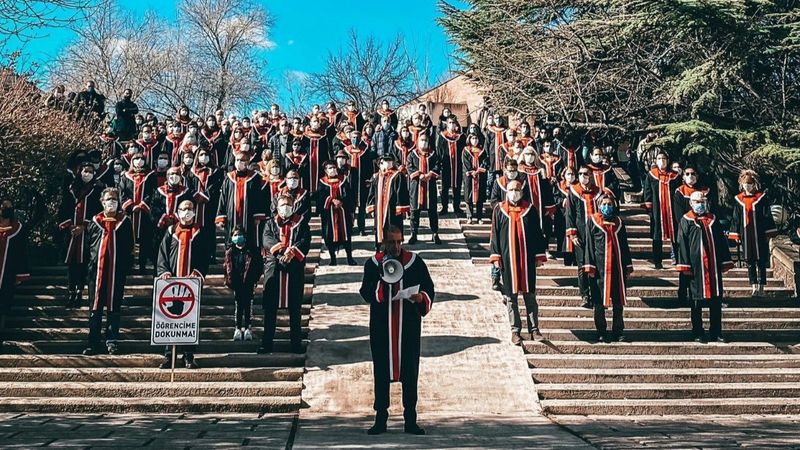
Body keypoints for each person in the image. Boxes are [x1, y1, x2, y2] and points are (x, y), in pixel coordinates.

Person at [359, 225, 434, 436]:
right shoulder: (373, 264)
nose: (396, 246)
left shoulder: (414, 262)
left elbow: (429, 288)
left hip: (408, 327)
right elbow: (365, 291)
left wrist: (421, 298)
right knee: (381, 371)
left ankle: (410, 419)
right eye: (392, 242)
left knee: (410, 371)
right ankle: (380, 418)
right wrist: (381, 286)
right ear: (383, 242)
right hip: (382, 327)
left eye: (399, 241)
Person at [489, 180, 547, 345]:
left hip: (526, 260)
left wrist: (538, 256)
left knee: (530, 296)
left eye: (517, 189)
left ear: (522, 191)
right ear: (506, 191)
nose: (514, 192)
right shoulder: (499, 210)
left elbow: (537, 234)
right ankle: (515, 331)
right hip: (508, 261)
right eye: (511, 189)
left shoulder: (529, 209)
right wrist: (496, 257)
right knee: (511, 298)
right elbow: (495, 235)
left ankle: (534, 330)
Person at [156, 200, 209, 369]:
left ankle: (188, 355)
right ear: (178, 212)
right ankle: (169, 355)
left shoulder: (200, 232)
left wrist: (198, 272)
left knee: (189, 319)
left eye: (190, 209)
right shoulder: (171, 231)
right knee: (169, 319)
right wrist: (163, 270)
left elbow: (205, 255)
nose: (187, 212)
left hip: (190, 283)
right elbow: (162, 254)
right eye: (184, 209)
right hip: (171, 282)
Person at [676, 191, 734, 343]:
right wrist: (685, 265)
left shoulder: (713, 220)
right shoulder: (686, 220)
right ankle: (697, 331)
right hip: (696, 268)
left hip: (713, 266)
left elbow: (721, 242)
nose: (700, 204)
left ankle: (716, 331)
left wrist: (725, 261)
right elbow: (681, 243)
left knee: (716, 300)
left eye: (702, 201)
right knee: (696, 301)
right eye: (697, 201)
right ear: (691, 203)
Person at [82, 188, 133, 355]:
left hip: (116, 272)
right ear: (102, 202)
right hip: (96, 273)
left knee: (114, 307)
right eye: (108, 199)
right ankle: (93, 342)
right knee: (95, 308)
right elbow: (88, 246)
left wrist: (125, 269)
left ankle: (111, 341)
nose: (111, 202)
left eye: (114, 199)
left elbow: (129, 247)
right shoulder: (95, 222)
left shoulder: (124, 222)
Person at [260, 194, 310, 354]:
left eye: (288, 204)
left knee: (295, 308)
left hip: (294, 267)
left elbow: (305, 240)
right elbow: (267, 239)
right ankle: (266, 343)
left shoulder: (302, 223)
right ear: (277, 206)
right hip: (274, 267)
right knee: (270, 308)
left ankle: (296, 343)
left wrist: (292, 251)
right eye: (282, 204)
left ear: (293, 205)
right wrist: (282, 250)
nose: (285, 207)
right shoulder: (270, 223)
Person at [583, 195, 634, 342]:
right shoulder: (593, 221)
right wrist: (589, 267)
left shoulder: (619, 222)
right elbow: (589, 245)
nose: (607, 206)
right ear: (599, 205)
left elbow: (624, 245)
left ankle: (618, 331)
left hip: (617, 268)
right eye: (604, 204)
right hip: (599, 269)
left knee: (618, 303)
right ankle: (601, 331)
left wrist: (628, 266)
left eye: (610, 204)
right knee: (599, 303)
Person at [566, 166, 613, 309]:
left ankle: (596, 294)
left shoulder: (599, 192)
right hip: (580, 235)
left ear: (591, 175)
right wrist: (572, 234)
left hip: (596, 235)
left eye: (585, 174)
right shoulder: (573, 192)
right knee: (582, 267)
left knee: (595, 267)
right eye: (579, 174)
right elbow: (570, 214)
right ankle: (585, 295)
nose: (582, 176)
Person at [59, 162, 104, 308]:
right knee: (71, 264)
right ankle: (71, 292)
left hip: (88, 233)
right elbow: (64, 207)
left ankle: (79, 292)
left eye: (90, 171)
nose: (87, 174)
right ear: (80, 172)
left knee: (85, 264)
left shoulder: (98, 189)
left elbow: (98, 210)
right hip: (71, 233)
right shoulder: (71, 188)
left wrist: (84, 226)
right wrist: (70, 225)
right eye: (85, 171)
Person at [728, 170, 777, 296]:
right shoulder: (738, 199)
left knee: (761, 261)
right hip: (746, 234)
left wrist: (768, 233)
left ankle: (761, 287)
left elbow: (767, 215)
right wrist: (736, 234)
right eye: (745, 183)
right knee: (750, 261)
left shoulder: (761, 198)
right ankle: (753, 286)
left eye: (749, 183)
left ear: (754, 183)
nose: (747, 186)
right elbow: (736, 218)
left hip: (759, 234)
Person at [672, 166, 710, 303]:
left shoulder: (704, 191)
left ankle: (701, 293)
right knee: (685, 263)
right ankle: (683, 293)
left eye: (693, 173)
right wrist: (686, 224)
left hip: (703, 229)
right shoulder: (679, 192)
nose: (690, 176)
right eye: (687, 174)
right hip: (686, 228)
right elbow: (677, 214)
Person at [216, 151, 266, 247]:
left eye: (242, 160)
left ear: (247, 162)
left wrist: (258, 216)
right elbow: (223, 197)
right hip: (232, 215)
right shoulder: (229, 177)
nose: (239, 162)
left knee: (249, 242)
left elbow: (258, 198)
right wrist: (221, 217)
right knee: (231, 241)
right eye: (237, 160)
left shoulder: (254, 178)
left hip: (249, 215)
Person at [643, 151, 681, 269]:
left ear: (668, 160)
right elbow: (647, 192)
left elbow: (679, 192)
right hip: (657, 210)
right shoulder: (651, 175)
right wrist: (649, 209)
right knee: (657, 235)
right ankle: (657, 261)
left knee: (675, 235)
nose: (662, 160)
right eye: (659, 158)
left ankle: (678, 259)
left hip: (672, 210)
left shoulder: (675, 176)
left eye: (664, 158)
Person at [223, 226, 263, 341]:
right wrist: (228, 280)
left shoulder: (251, 250)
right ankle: (237, 328)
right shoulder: (230, 251)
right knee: (238, 306)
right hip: (237, 283)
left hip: (249, 282)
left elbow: (258, 266)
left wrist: (255, 279)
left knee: (248, 306)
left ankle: (248, 328)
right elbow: (226, 267)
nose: (237, 237)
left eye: (239, 234)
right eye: (235, 235)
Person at [120, 152, 156, 273]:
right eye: (136, 158)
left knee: (145, 240)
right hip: (130, 214)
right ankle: (128, 265)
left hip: (144, 213)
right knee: (128, 239)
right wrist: (130, 206)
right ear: (132, 161)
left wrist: (141, 205)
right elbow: (122, 193)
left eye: (141, 158)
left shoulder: (150, 175)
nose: (139, 161)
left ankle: (142, 265)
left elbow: (151, 192)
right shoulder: (125, 176)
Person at [367, 155, 411, 250]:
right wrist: (372, 207)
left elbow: (402, 192)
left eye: (390, 161)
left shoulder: (398, 176)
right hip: (379, 209)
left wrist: (400, 208)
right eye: (385, 161)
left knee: (393, 226)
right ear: (380, 163)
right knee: (378, 227)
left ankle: (394, 247)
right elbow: (372, 193)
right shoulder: (376, 176)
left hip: (392, 209)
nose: (388, 163)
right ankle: (378, 247)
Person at [318, 160, 357, 265]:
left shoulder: (343, 180)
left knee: (346, 235)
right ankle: (333, 258)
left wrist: (342, 202)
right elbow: (320, 197)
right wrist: (331, 200)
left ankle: (350, 258)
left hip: (343, 213)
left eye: (334, 167)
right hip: (329, 215)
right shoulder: (322, 182)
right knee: (329, 235)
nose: (333, 170)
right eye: (330, 168)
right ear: (325, 170)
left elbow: (349, 194)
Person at [0, 199, 30, 329]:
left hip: (7, 274)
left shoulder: (18, 229)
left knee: (3, 307)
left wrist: (20, 275)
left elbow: (22, 253)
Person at [407, 134, 442, 245]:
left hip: (429, 185)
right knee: (414, 211)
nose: (423, 142)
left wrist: (430, 174)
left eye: (425, 140)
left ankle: (435, 233)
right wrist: (418, 174)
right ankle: (413, 233)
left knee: (432, 211)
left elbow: (437, 166)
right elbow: (409, 166)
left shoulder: (433, 154)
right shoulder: (412, 154)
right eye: (421, 140)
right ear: (417, 141)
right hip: (416, 186)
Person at [343, 129, 372, 235]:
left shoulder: (365, 151)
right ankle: (349, 227)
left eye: (357, 138)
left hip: (362, 182)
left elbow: (370, 166)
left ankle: (361, 228)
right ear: (350, 138)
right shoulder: (346, 150)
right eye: (353, 137)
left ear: (360, 139)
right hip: (349, 182)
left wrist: (369, 179)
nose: (355, 139)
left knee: (362, 207)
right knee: (349, 206)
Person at [437, 116, 465, 216]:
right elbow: (439, 151)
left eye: (453, 122)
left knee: (457, 187)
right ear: (446, 124)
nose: (452, 124)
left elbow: (463, 151)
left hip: (458, 166)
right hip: (446, 166)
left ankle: (456, 207)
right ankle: (444, 207)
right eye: (450, 122)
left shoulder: (461, 137)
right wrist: (439, 165)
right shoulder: (442, 136)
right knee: (445, 188)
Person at [462, 133, 490, 224]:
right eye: (473, 138)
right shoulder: (466, 150)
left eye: (476, 138)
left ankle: (479, 217)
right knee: (468, 196)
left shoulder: (482, 151)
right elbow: (465, 162)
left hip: (480, 176)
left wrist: (478, 171)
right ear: (469, 139)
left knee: (480, 197)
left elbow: (485, 162)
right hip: (469, 177)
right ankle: (469, 216)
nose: (475, 140)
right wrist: (471, 171)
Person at [302, 116, 331, 198]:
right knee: (307, 186)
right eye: (314, 121)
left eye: (317, 121)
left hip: (320, 166)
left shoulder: (323, 136)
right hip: (308, 166)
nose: (316, 123)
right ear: (310, 123)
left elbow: (327, 152)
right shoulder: (304, 137)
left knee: (320, 188)